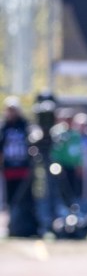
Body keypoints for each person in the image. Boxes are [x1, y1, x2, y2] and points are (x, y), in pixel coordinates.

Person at [1, 98, 34, 235]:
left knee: (25, 197)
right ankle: (12, 224)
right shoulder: (4, 127)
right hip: (9, 169)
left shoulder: (25, 126)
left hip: (23, 169)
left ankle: (26, 224)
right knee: (10, 198)